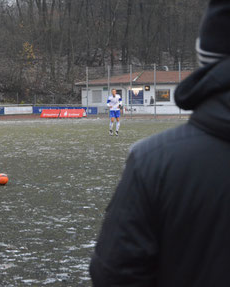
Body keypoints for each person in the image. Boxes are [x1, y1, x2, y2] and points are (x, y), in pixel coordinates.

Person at [90, 1, 230, 286]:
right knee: (114, 120)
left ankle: (115, 128)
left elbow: (115, 273)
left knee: (118, 121)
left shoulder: (154, 160)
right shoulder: (114, 100)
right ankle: (113, 129)